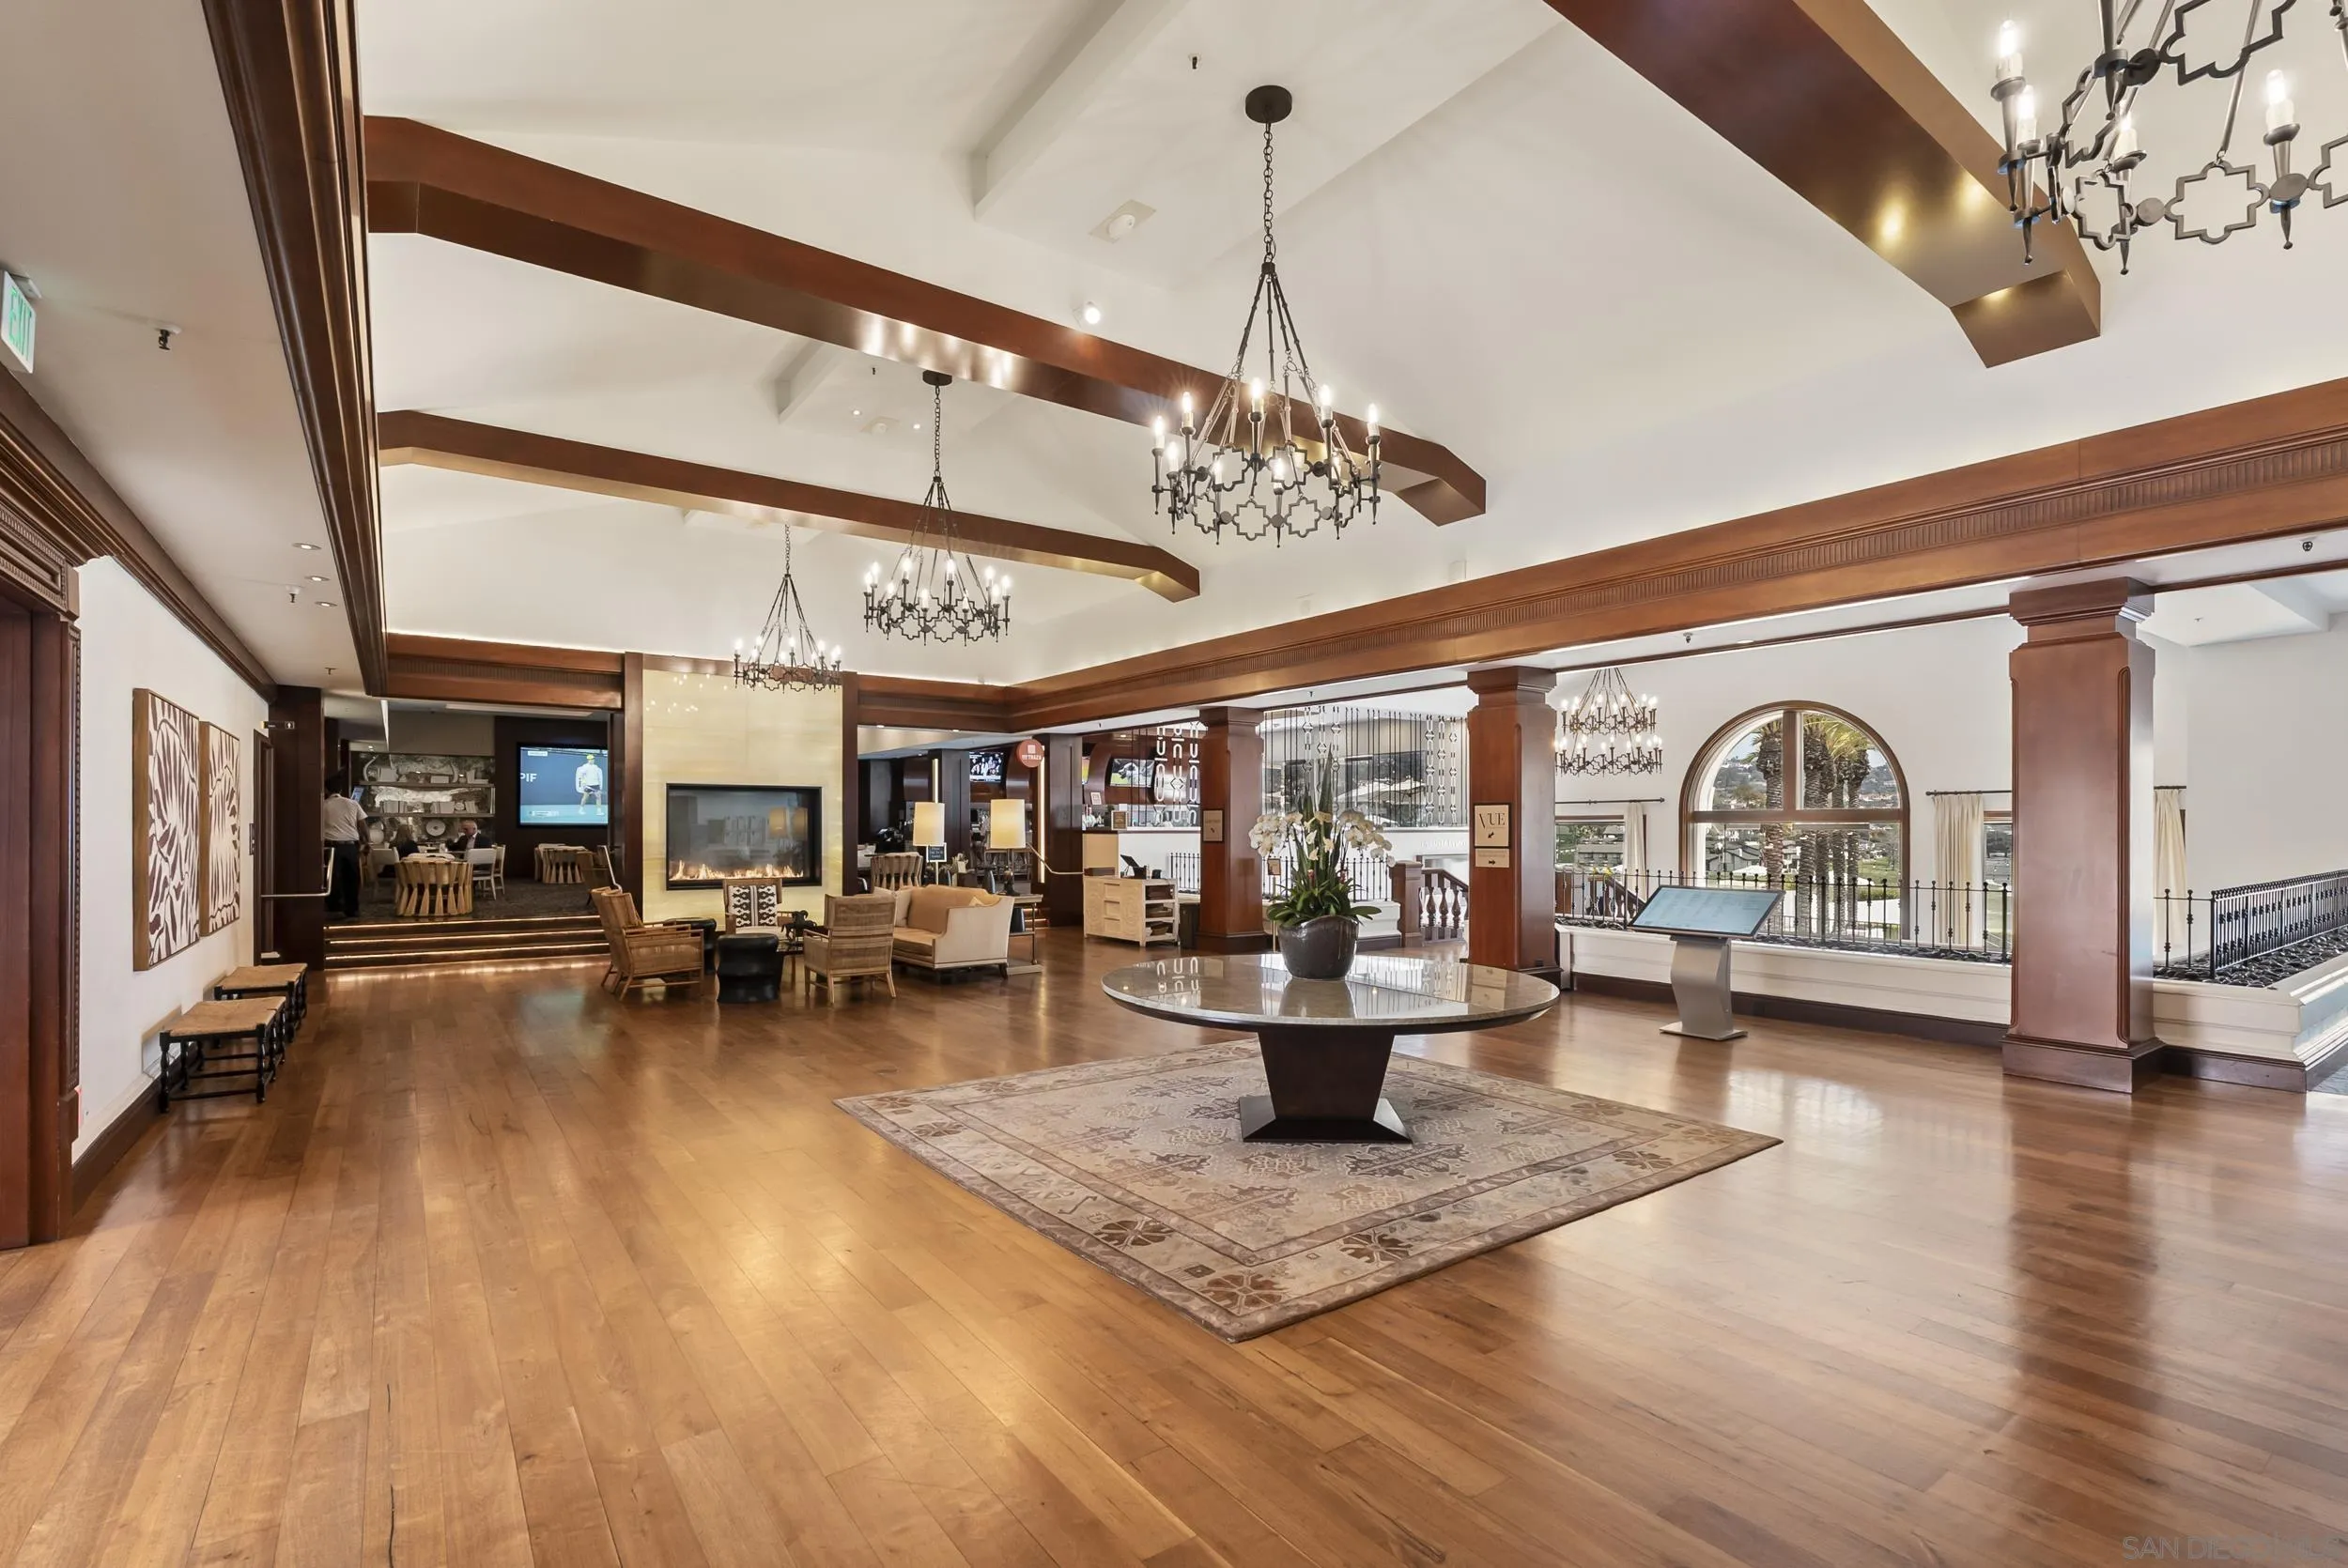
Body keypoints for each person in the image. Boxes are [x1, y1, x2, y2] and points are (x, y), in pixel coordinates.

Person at [322, 773, 366, 919]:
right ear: (340, 790)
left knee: (333, 877)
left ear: (326, 790)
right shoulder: (353, 803)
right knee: (353, 878)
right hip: (350, 846)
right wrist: (366, 842)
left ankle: (334, 906)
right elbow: (362, 825)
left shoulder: (323, 805)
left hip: (332, 847)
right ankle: (353, 909)